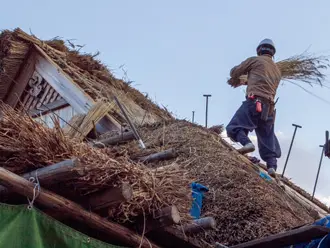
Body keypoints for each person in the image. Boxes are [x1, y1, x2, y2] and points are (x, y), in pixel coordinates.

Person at [226, 39, 282, 176]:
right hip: (269, 108)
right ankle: (272, 166)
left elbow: (235, 72)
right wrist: (248, 81)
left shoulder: (255, 61)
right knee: (267, 137)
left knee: (234, 127)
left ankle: (247, 143)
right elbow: (263, 82)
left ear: (259, 50)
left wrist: (237, 78)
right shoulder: (277, 71)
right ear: (273, 53)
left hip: (254, 102)